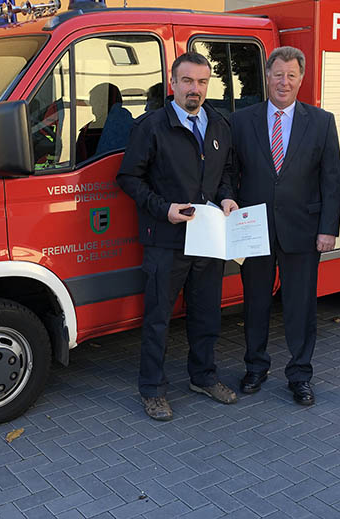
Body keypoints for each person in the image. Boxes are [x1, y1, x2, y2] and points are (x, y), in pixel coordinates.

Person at [117, 52, 238, 421]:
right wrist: (163, 208)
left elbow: (225, 173)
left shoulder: (218, 124)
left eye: (202, 82)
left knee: (206, 314)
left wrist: (227, 197)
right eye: (187, 81)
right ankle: (152, 390)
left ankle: (203, 377)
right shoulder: (152, 126)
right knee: (158, 319)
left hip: (209, 240)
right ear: (173, 84)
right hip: (166, 239)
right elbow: (128, 178)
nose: (195, 89)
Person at [229, 46, 340, 403]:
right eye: (278, 74)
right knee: (256, 303)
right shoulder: (241, 120)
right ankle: (255, 367)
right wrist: (228, 201)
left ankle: (300, 375)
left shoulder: (322, 122)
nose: (284, 82)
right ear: (267, 76)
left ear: (301, 78)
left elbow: (332, 179)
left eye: (291, 75)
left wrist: (328, 228)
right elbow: (231, 172)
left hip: (303, 230)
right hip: (253, 229)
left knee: (301, 306)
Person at [76, 83, 133, 162]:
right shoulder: (135, 127)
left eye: (94, 104)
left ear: (103, 104)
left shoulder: (87, 133)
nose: (92, 111)